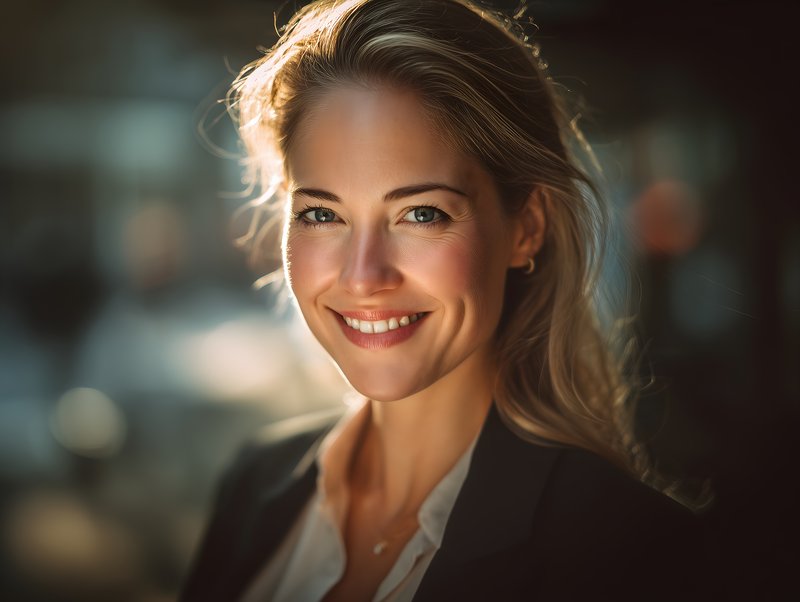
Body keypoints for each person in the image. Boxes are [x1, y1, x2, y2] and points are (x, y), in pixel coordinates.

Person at [180, 1, 716, 600]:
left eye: (421, 214)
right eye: (323, 214)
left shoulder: (629, 548)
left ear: (526, 227)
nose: (364, 277)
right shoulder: (255, 483)